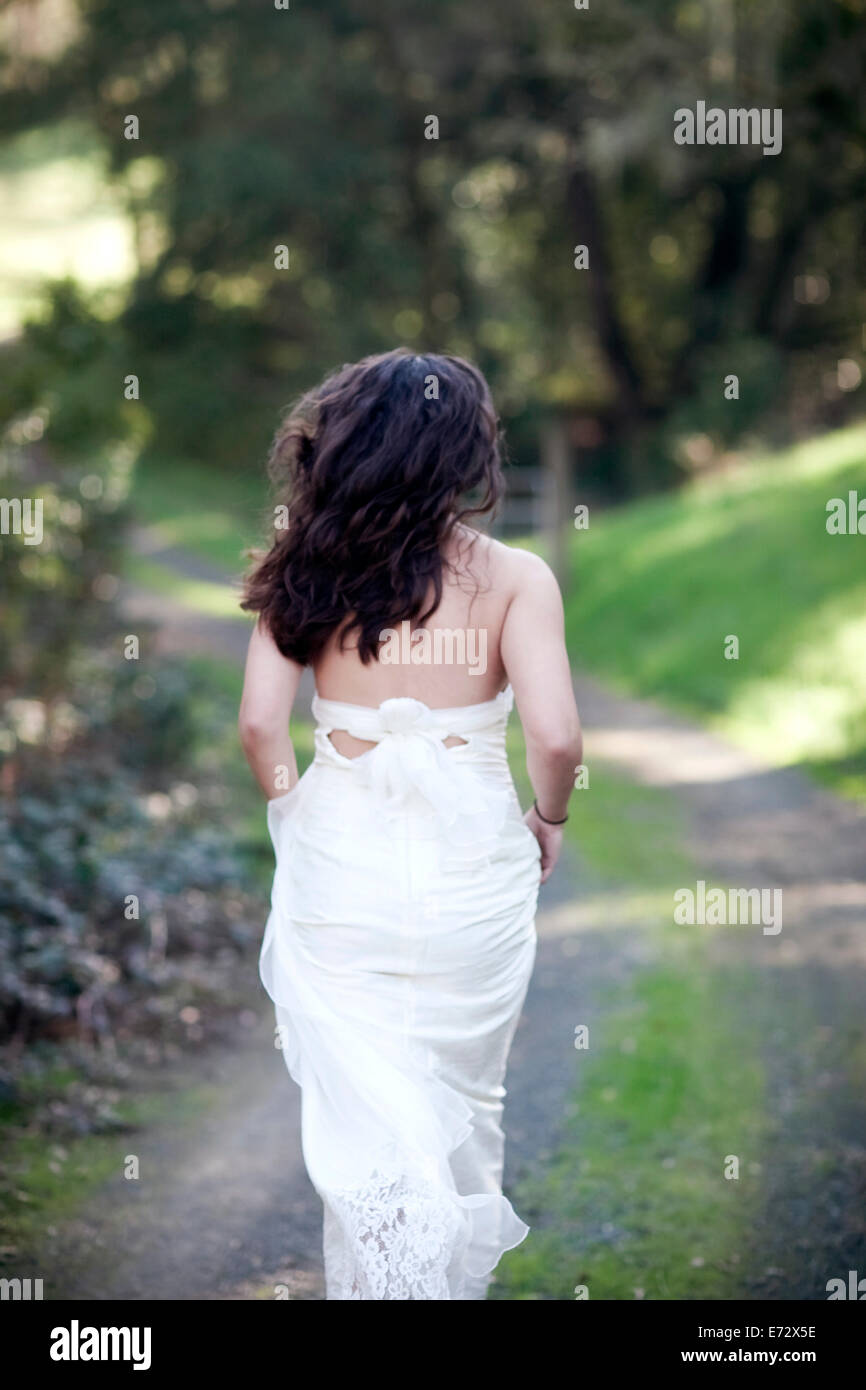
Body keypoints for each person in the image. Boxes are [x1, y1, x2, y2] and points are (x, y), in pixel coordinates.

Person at [239, 347, 582, 1299]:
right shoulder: (517, 577)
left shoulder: (299, 569)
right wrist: (548, 818)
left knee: (366, 1120)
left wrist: (297, 804)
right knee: (456, 1106)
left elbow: (262, 726)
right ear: (461, 454)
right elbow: (556, 735)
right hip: (474, 866)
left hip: (342, 860)